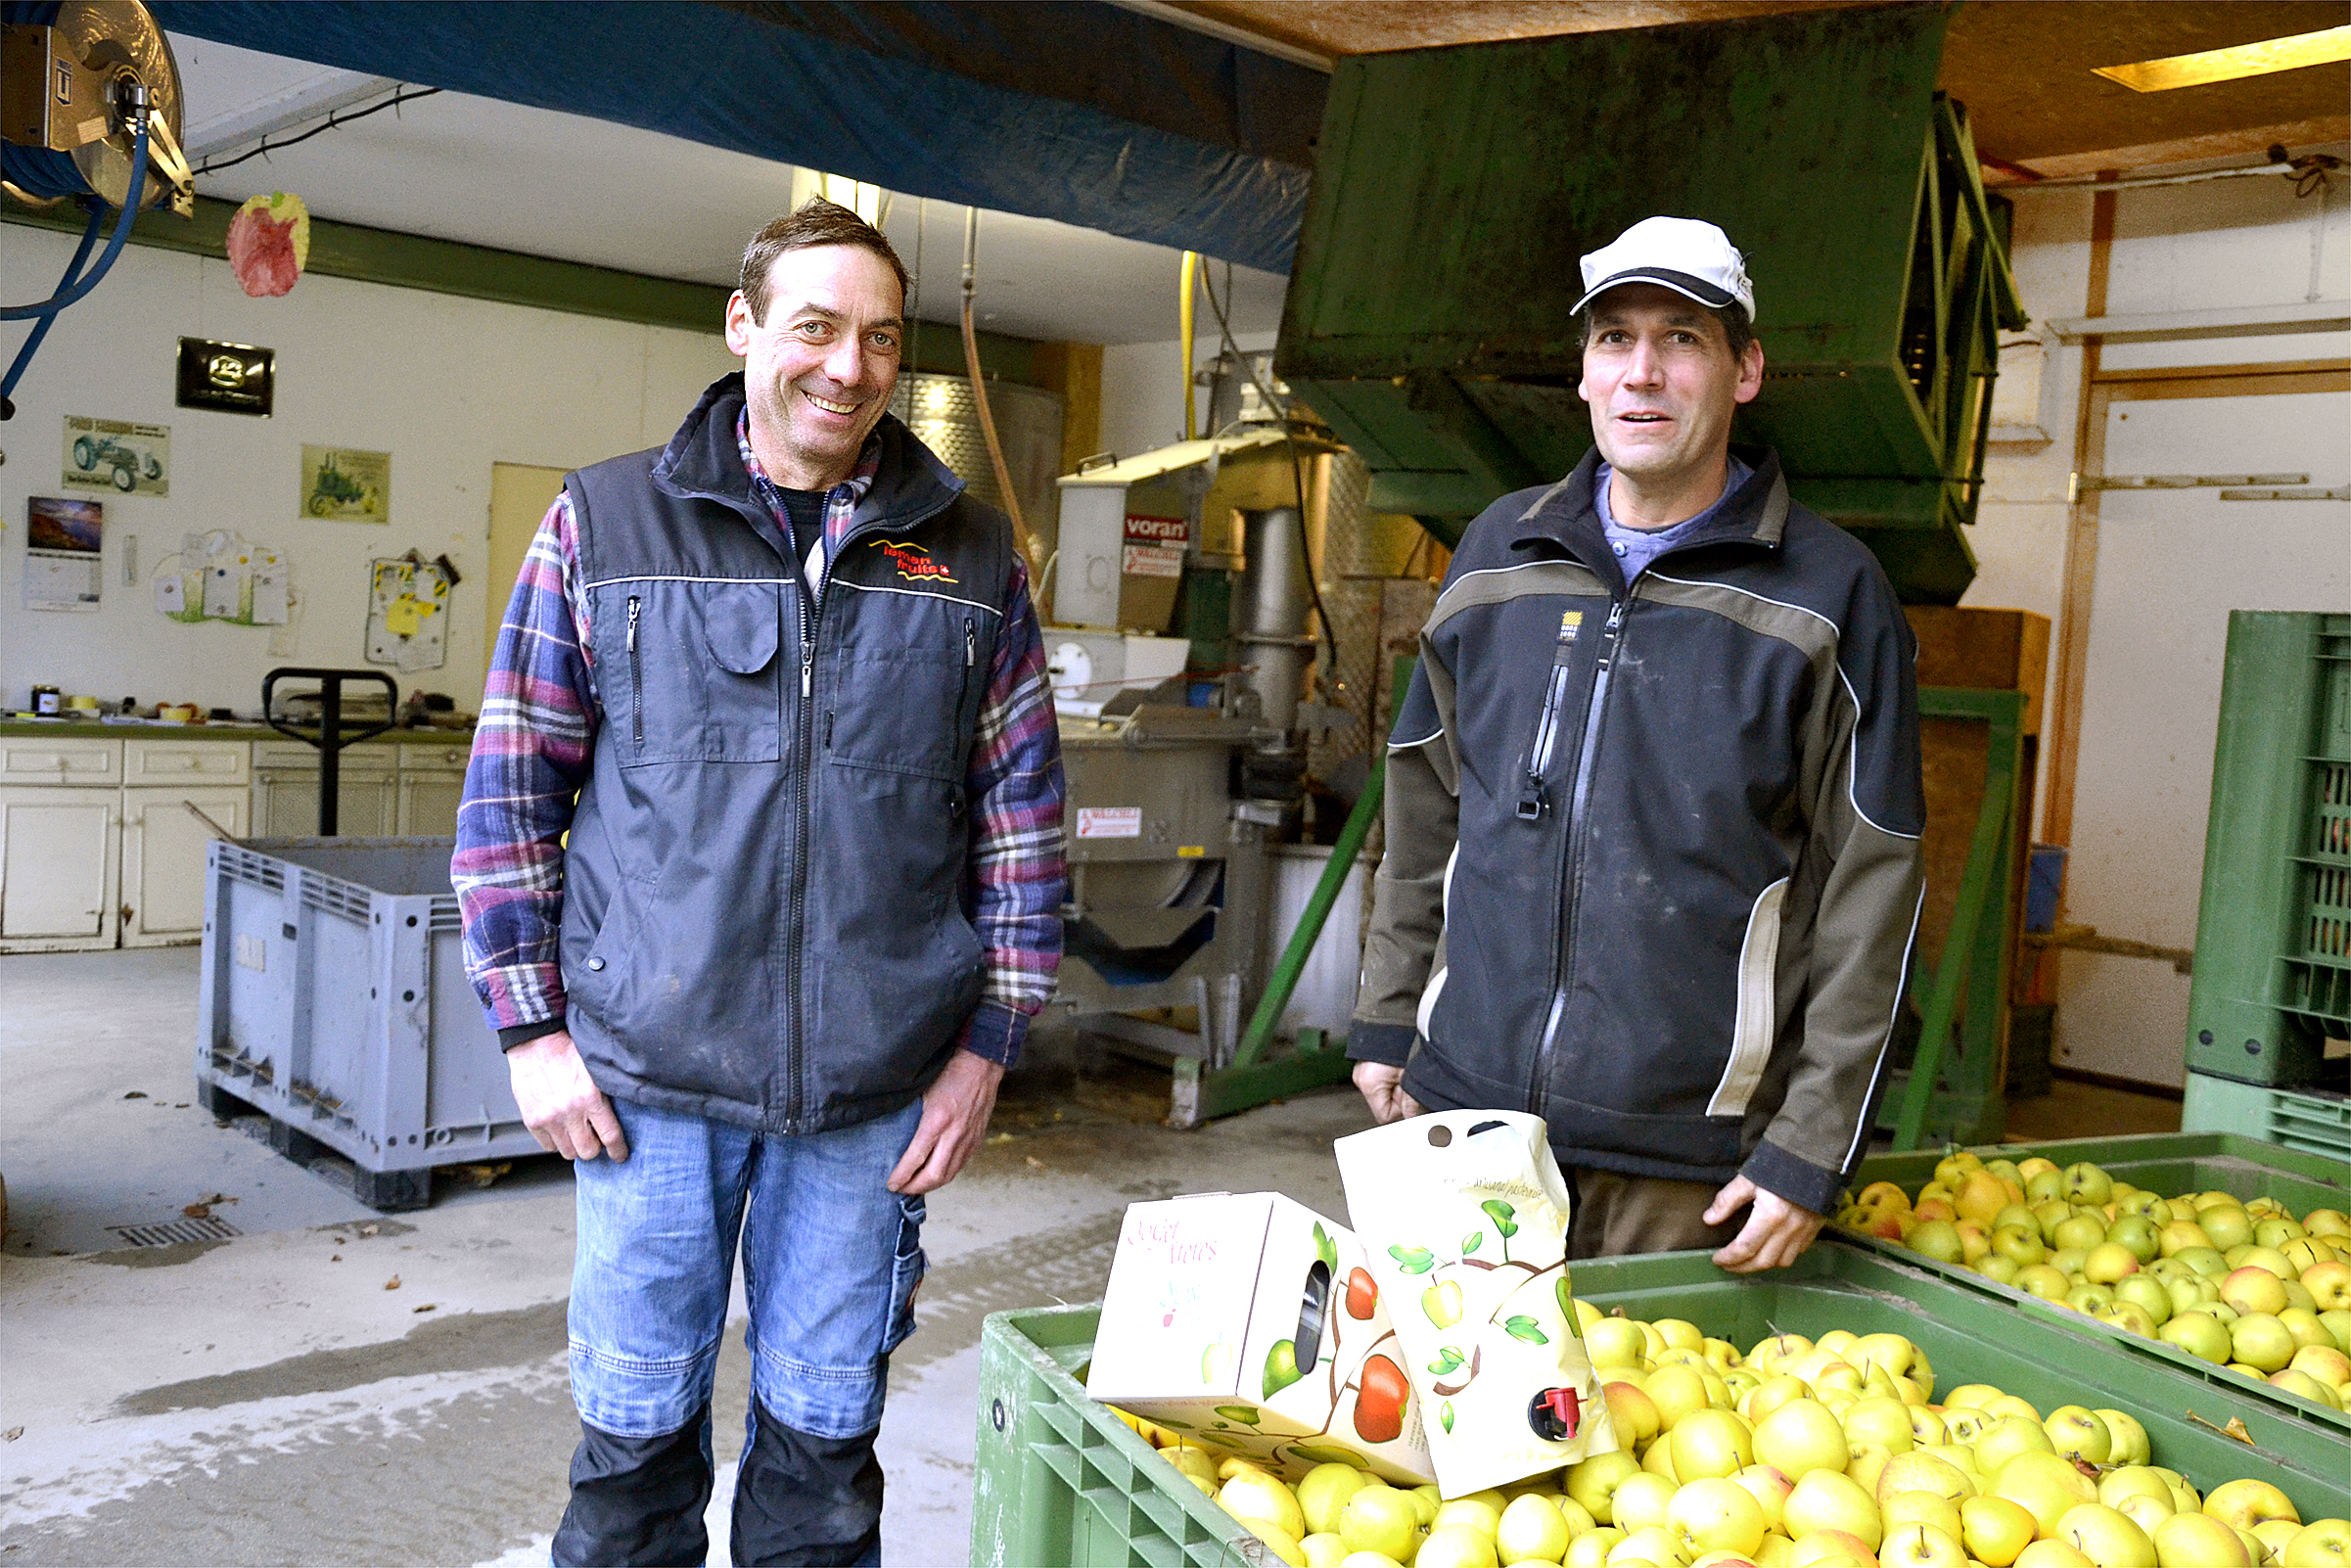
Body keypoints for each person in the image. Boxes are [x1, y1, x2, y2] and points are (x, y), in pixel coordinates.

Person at [452, 198, 1065, 1567]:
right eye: (815, 328)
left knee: (824, 1455)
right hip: (644, 1082)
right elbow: (509, 792)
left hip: (871, 1088)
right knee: (631, 1446)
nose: (846, 367)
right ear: (743, 329)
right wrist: (531, 1027)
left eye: (879, 340)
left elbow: (1020, 828)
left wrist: (985, 1053)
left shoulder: (968, 559)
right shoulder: (604, 522)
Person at [1347, 215, 1923, 1274]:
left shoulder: (1831, 595)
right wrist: (1389, 1019)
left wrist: (1811, 1143)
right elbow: (1422, 804)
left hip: (1689, 1165)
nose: (1641, 373)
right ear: (1581, 372)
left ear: (1744, 369)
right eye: (1613, 338)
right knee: (1444, 1422)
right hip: (1463, 1121)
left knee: (1644, 1434)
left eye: (1682, 339)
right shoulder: (1493, 554)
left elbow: (1871, 885)